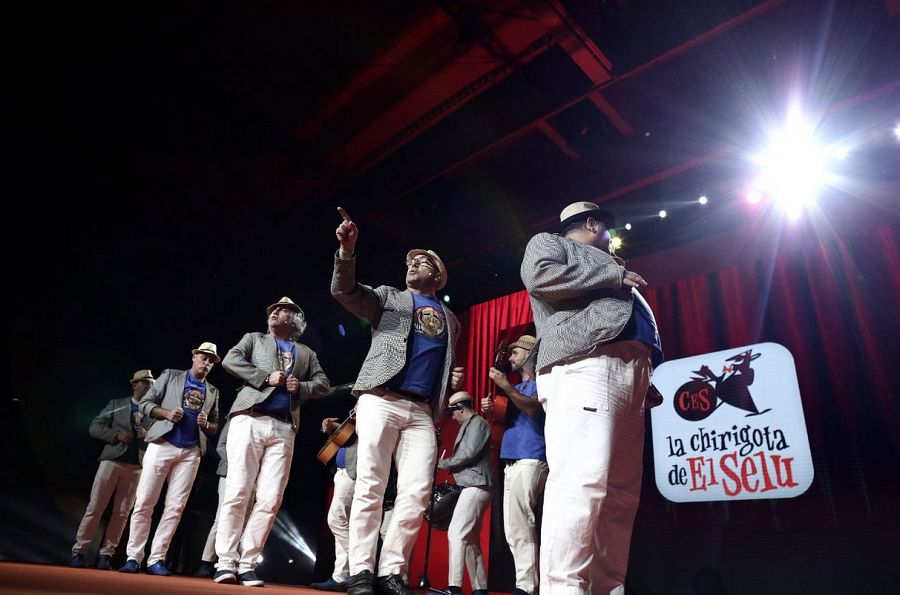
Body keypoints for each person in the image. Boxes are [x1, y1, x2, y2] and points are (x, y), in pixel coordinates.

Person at [520, 201, 663, 594]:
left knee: (619, 495)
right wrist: (613, 272)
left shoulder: (607, 267)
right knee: (581, 483)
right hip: (584, 366)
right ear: (593, 223)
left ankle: (607, 588)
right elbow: (540, 277)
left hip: (626, 377)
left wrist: (643, 374)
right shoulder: (550, 243)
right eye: (606, 231)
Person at [331, 207, 464, 595]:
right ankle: (361, 572)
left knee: (418, 491)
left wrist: (449, 380)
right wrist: (347, 251)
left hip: (422, 410)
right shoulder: (390, 297)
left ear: (437, 275)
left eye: (421, 262)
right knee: (371, 483)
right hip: (381, 397)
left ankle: (391, 571)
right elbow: (344, 291)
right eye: (409, 261)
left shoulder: (451, 318)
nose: (412, 265)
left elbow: (443, 362)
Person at [213, 297, 331, 587]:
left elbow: (323, 385)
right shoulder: (254, 339)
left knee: (270, 498)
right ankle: (225, 562)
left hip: (284, 427)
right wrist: (266, 378)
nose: (275, 312)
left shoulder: (306, 353)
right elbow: (230, 360)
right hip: (249, 418)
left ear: (296, 320)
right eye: (273, 310)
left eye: (283, 310)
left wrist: (300, 386)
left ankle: (247, 563)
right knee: (239, 490)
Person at [119, 343, 221, 575]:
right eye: (204, 357)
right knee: (145, 501)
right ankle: (133, 557)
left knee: (175, 507)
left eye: (211, 361)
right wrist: (166, 413)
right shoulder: (171, 376)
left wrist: (207, 425)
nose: (206, 363)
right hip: (162, 444)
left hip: (191, 452)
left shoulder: (213, 391)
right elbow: (145, 404)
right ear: (194, 356)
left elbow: (215, 426)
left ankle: (157, 559)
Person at [481, 334, 547, 595]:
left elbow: (533, 410)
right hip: (512, 460)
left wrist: (505, 387)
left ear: (530, 354)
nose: (510, 358)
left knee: (522, 522)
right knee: (513, 526)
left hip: (531, 457)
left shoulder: (541, 381)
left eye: (515, 353)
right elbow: (503, 416)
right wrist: (491, 408)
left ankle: (527, 586)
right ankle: (524, 583)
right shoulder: (516, 388)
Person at [70, 369, 155, 570]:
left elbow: (162, 436)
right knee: (96, 506)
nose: (149, 386)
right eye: (145, 382)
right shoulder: (117, 404)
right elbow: (95, 427)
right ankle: (79, 552)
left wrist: (148, 434)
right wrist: (116, 435)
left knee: (122, 513)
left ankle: (106, 555)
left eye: (152, 383)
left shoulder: (153, 411)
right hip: (112, 461)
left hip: (137, 466)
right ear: (135, 384)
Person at [437, 391, 492, 595]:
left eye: (453, 412)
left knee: (456, 533)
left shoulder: (478, 423)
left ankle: (454, 588)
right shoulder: (470, 425)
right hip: (475, 485)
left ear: (460, 407)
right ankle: (480, 589)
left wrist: (444, 463)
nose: (452, 417)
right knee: (470, 540)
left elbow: (469, 453)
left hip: (476, 485)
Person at [195, 418, 256, 578]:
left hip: (252, 477)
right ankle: (207, 561)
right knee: (222, 518)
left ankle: (233, 563)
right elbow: (221, 446)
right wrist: (239, 463)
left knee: (244, 520)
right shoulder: (235, 420)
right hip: (229, 473)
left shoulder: (264, 423)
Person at [311, 416, 358, 592]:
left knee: (336, 519)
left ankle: (360, 567)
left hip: (353, 472)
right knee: (345, 524)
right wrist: (331, 426)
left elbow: (357, 434)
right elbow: (346, 433)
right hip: (341, 472)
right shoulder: (358, 411)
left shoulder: (374, 410)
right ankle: (341, 576)